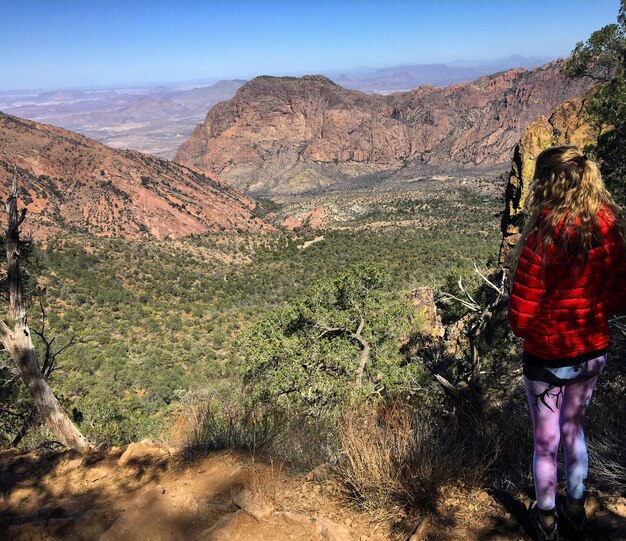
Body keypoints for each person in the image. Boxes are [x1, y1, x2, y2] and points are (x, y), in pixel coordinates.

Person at [508, 145, 626, 541]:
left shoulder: (544, 231)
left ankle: (546, 521)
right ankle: (575, 509)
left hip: (546, 355)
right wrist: (592, 310)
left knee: (546, 443)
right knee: (574, 430)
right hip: (591, 350)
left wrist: (532, 327)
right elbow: (619, 293)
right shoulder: (608, 223)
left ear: (547, 182)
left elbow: (522, 315)